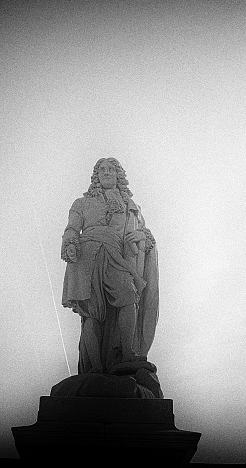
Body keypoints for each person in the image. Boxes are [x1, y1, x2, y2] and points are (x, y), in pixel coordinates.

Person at [61, 158, 159, 374]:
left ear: (118, 175)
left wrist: (141, 235)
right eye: (102, 170)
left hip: (116, 255)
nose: (106, 173)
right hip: (87, 255)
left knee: (129, 297)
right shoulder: (81, 203)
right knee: (91, 313)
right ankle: (95, 368)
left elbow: (144, 233)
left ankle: (127, 354)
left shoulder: (131, 207)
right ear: (96, 176)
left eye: (111, 169)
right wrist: (70, 245)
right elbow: (71, 229)